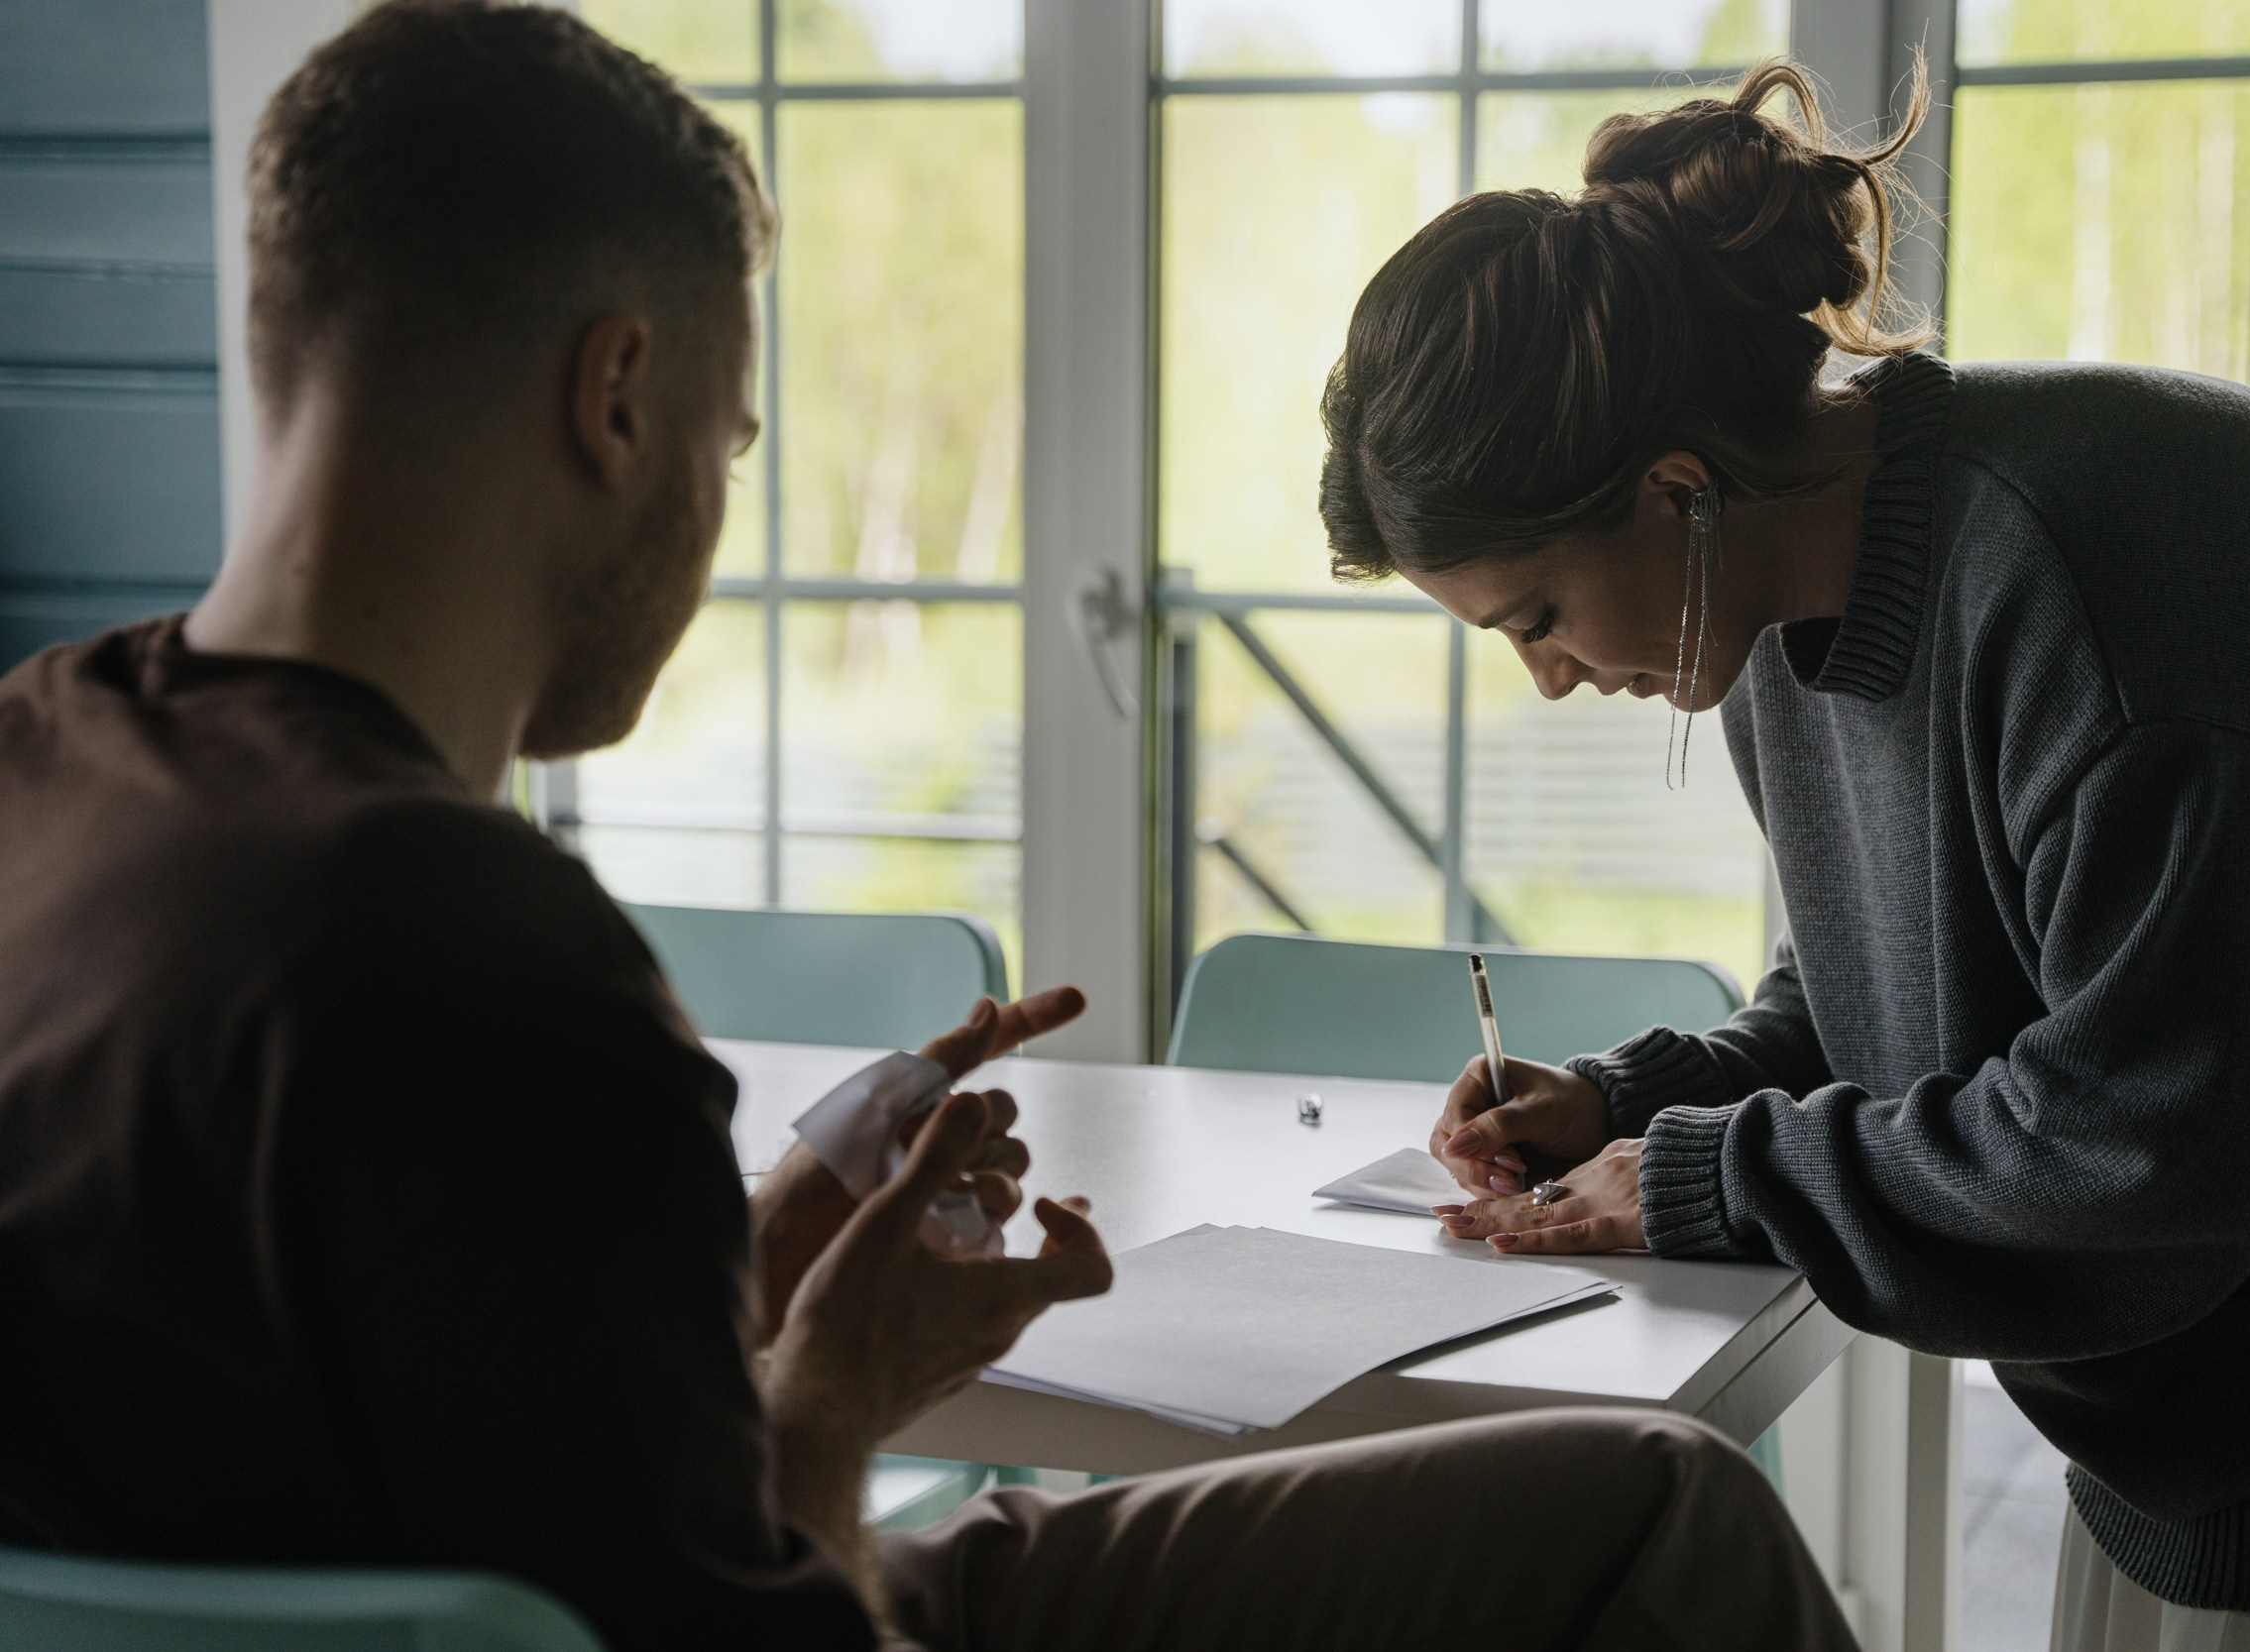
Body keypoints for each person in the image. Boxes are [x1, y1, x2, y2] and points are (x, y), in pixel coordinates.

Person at [0, 6, 1859, 1650]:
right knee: (1665, 1516)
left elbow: (320, 1374)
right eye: (730, 444)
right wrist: (837, 1392)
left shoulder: (40, 770)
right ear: (617, 396)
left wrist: (757, 1254)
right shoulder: (485, 959)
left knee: (1624, 1501)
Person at [1319, 54, 2250, 1652]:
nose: (1548, 676)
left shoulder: (2116, 605)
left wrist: (1698, 1181)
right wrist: (1635, 1102)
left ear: (1678, 491)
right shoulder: (1779, 615)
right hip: (2205, 1457)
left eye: (1535, 616)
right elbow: (1887, 1022)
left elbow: (2138, 1154)